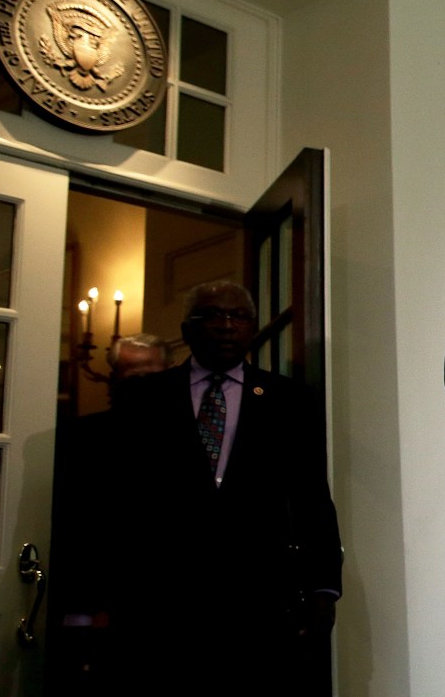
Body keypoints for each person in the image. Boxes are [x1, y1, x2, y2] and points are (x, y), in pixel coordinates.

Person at [109, 281, 342, 694]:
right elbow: (118, 499)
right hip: (165, 600)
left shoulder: (289, 398)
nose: (225, 326)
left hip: (261, 600)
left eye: (237, 316)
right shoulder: (145, 398)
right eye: (212, 315)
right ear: (186, 329)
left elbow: (311, 495)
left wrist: (324, 585)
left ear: (251, 327)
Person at [48, 333, 170, 694]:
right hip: (100, 613)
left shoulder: (189, 437)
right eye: (132, 375)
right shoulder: (81, 437)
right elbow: (73, 525)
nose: (142, 384)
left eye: (151, 375)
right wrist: (86, 609)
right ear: (114, 377)